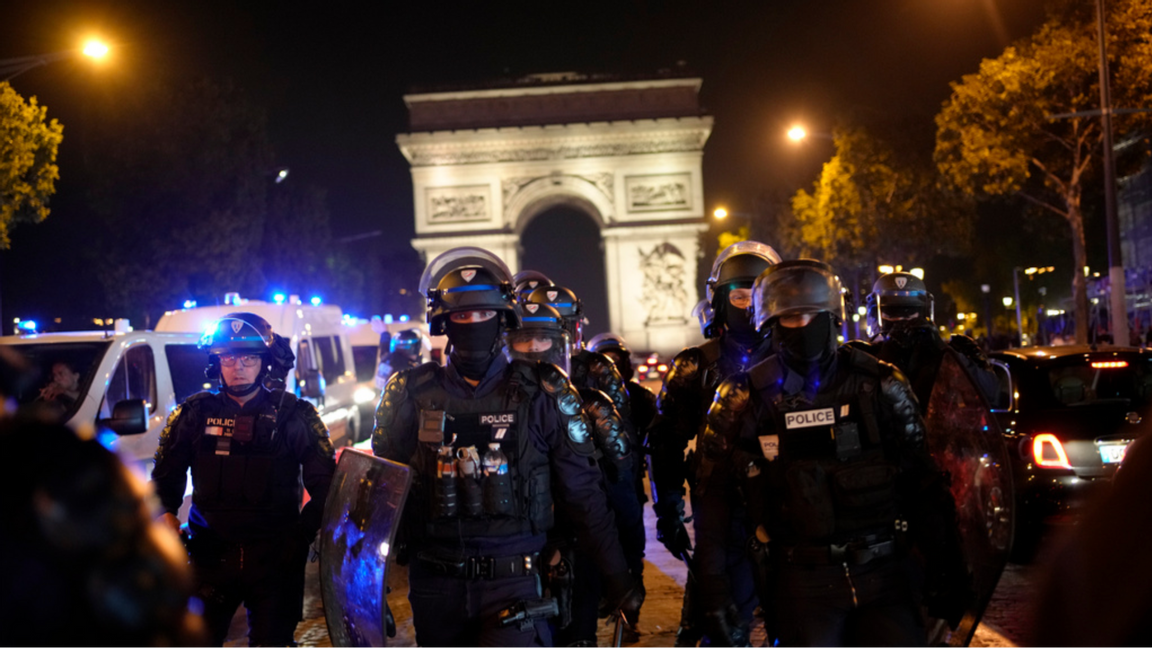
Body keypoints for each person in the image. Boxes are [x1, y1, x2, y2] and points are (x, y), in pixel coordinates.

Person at [372, 248, 641, 648]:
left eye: (482, 314)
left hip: (514, 582)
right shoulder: (408, 394)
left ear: (502, 319)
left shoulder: (545, 391)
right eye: (462, 315)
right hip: (435, 587)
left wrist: (619, 576)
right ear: (444, 321)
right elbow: (379, 495)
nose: (473, 323)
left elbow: (584, 494)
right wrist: (367, 587)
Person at [694, 260, 969, 648]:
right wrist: (713, 591)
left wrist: (947, 567)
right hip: (802, 583)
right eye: (789, 319)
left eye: (811, 315)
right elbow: (715, 503)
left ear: (832, 317)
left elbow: (924, 483)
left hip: (886, 575)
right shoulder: (743, 397)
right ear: (770, 324)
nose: (802, 327)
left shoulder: (881, 384)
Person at [151, 312, 336, 648]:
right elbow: (165, 482)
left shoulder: (296, 415)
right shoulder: (192, 415)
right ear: (217, 363)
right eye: (229, 357)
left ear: (264, 363)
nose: (238, 367)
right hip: (208, 559)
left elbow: (327, 488)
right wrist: (165, 518)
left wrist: (299, 537)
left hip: (275, 560)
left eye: (249, 358)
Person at [647, 240, 780, 647]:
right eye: (740, 295)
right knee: (717, 624)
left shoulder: (803, 360)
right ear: (720, 300)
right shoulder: (696, 365)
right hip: (722, 515)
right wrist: (668, 505)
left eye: (759, 295)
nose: (749, 306)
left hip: (792, 508)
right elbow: (665, 441)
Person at [855, 271, 998, 408]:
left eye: (910, 312)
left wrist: (943, 351)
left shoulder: (944, 351)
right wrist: (886, 356)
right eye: (892, 312)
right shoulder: (863, 357)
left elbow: (991, 396)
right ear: (875, 314)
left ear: (924, 314)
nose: (902, 320)